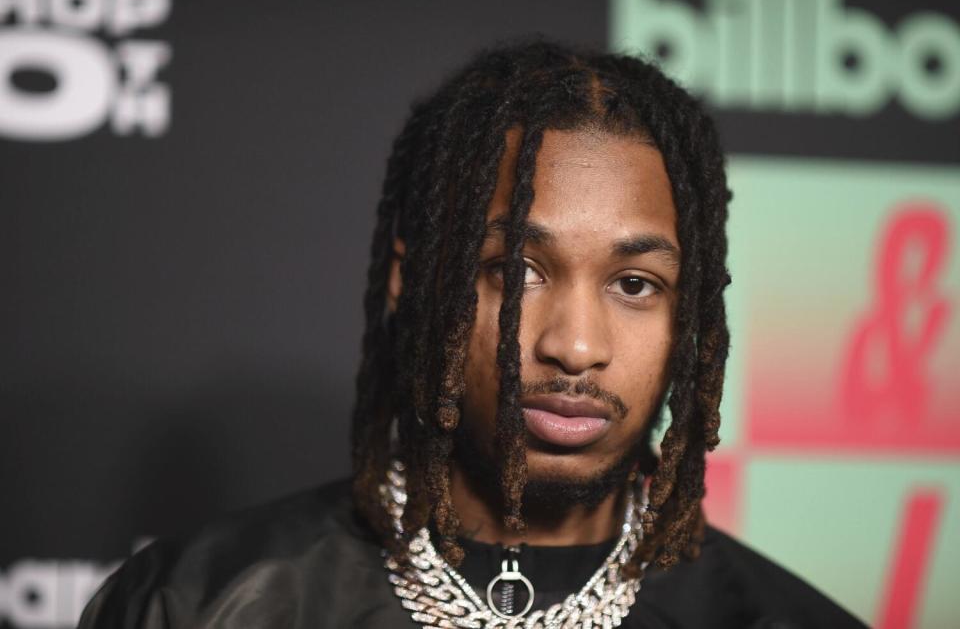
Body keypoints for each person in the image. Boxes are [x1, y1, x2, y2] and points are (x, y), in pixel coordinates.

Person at [79, 40, 866, 628]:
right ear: (409, 281)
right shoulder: (199, 602)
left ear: (689, 315)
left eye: (635, 285)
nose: (575, 345)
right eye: (516, 270)